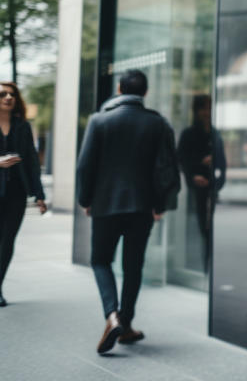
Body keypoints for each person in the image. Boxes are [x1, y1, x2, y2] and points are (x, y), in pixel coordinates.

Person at [77, 69, 178, 354]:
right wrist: (160, 205)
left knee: (100, 261)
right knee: (133, 268)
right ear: (144, 93)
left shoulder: (99, 120)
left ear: (119, 89)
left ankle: (112, 316)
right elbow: (167, 167)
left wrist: (86, 199)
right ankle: (126, 324)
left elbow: (85, 166)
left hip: (105, 204)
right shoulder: (157, 123)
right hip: (142, 207)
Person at [0, 82, 48, 307]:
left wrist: (39, 194)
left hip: (16, 193)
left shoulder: (22, 126)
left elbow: (30, 161)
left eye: (12, 94)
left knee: (7, 241)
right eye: (3, 94)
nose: (8, 97)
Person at [177, 94, 226, 272]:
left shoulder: (215, 133)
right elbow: (181, 159)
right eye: (203, 108)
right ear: (197, 111)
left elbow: (222, 162)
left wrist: (218, 182)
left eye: (209, 108)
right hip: (196, 190)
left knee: (209, 230)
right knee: (199, 229)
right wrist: (195, 173)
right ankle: (200, 268)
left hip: (211, 189)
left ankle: (207, 267)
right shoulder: (189, 134)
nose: (207, 112)